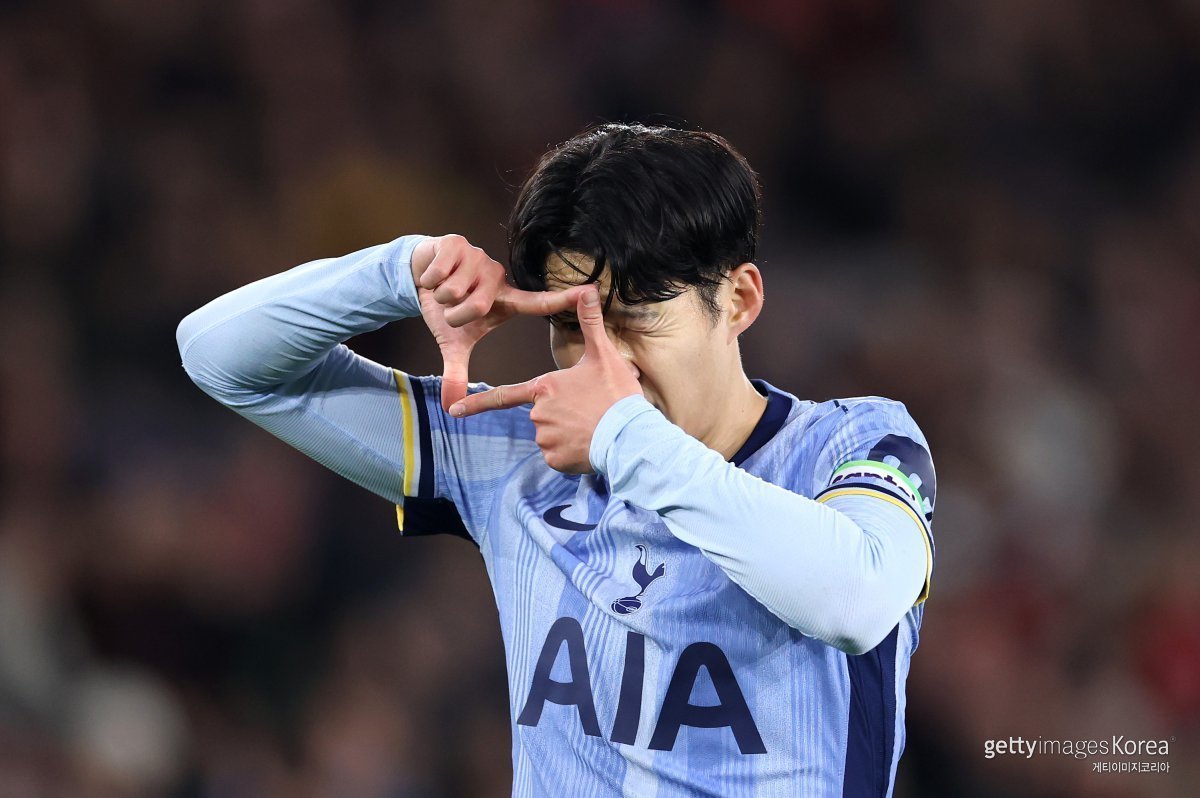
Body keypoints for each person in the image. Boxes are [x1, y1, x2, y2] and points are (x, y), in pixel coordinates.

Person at [177, 123, 937, 797]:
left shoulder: (857, 445)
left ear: (738, 299)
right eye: (571, 324)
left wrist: (620, 436)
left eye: (637, 316)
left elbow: (855, 600)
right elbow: (220, 357)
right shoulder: (516, 453)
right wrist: (397, 274)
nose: (604, 362)